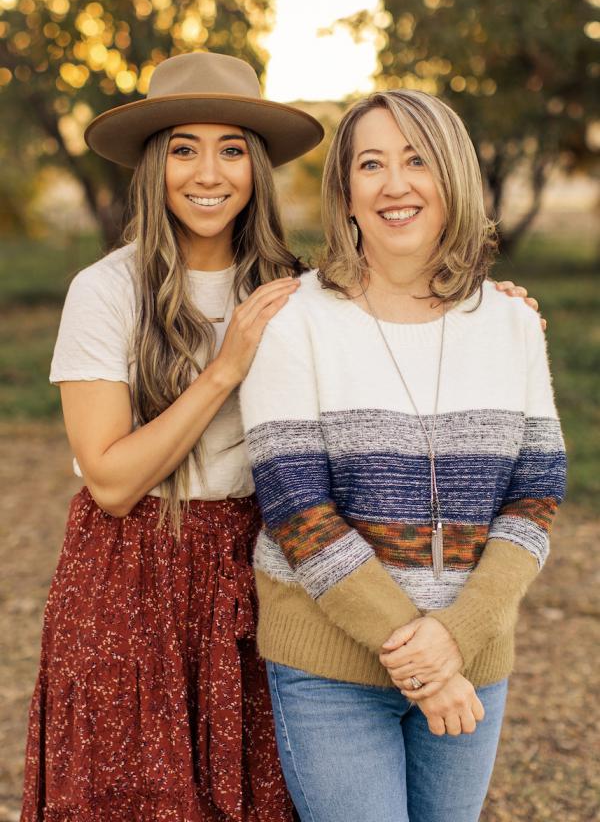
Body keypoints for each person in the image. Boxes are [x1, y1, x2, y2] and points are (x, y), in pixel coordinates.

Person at [240, 89, 566, 822]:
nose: (395, 184)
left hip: (470, 658)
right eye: (371, 165)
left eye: (416, 161)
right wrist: (417, 654)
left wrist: (455, 638)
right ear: (346, 193)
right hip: (330, 667)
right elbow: (296, 507)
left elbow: (537, 490)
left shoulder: (511, 321)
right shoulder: (294, 318)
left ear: (450, 179)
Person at [20, 52, 324, 822]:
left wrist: (500, 313)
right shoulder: (107, 291)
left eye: (231, 149)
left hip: (263, 561)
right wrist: (223, 370)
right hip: (132, 569)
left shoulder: (299, 287)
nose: (207, 172)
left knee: (258, 795)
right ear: (156, 165)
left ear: (255, 167)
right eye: (184, 148)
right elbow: (113, 481)